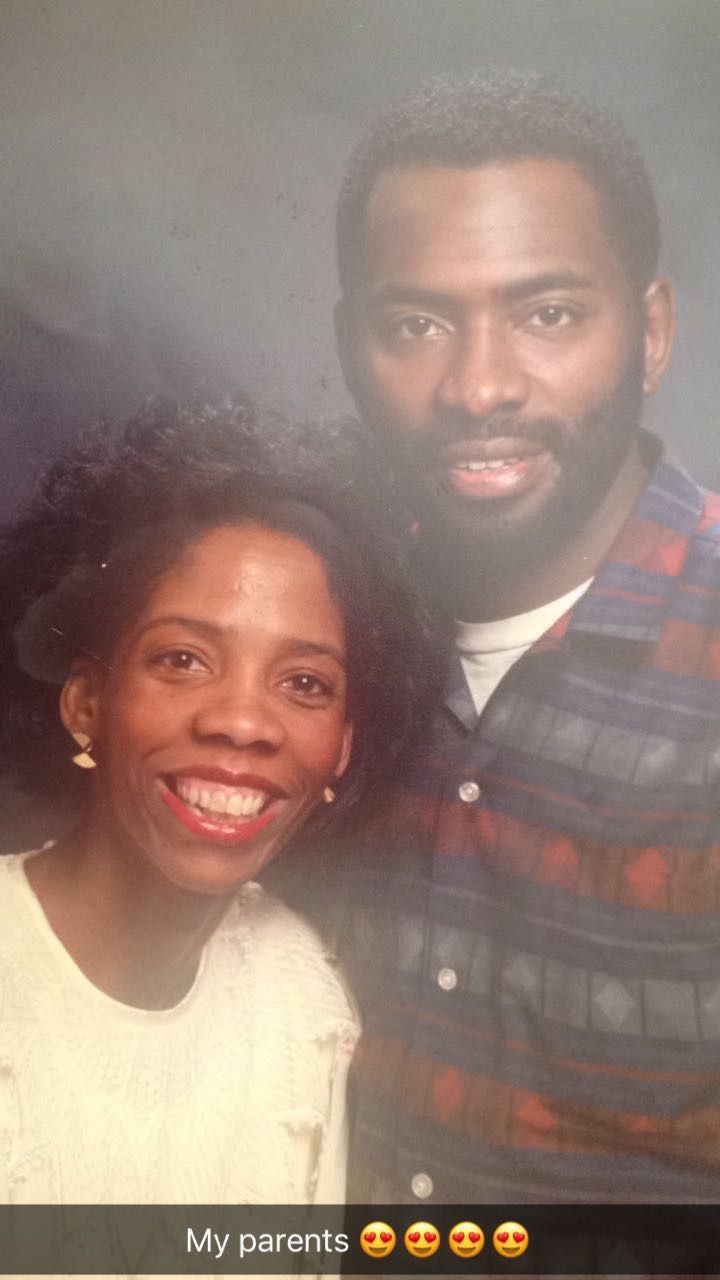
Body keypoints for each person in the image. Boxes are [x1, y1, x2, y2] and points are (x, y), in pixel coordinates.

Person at [330, 68, 720, 1204]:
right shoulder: (318, 623)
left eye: (548, 314)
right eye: (416, 324)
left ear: (651, 333)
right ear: (351, 346)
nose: (480, 386)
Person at [0, 397, 437, 1205]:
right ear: (87, 701)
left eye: (304, 683)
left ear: (343, 747)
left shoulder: (300, 995)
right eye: (183, 660)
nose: (241, 722)